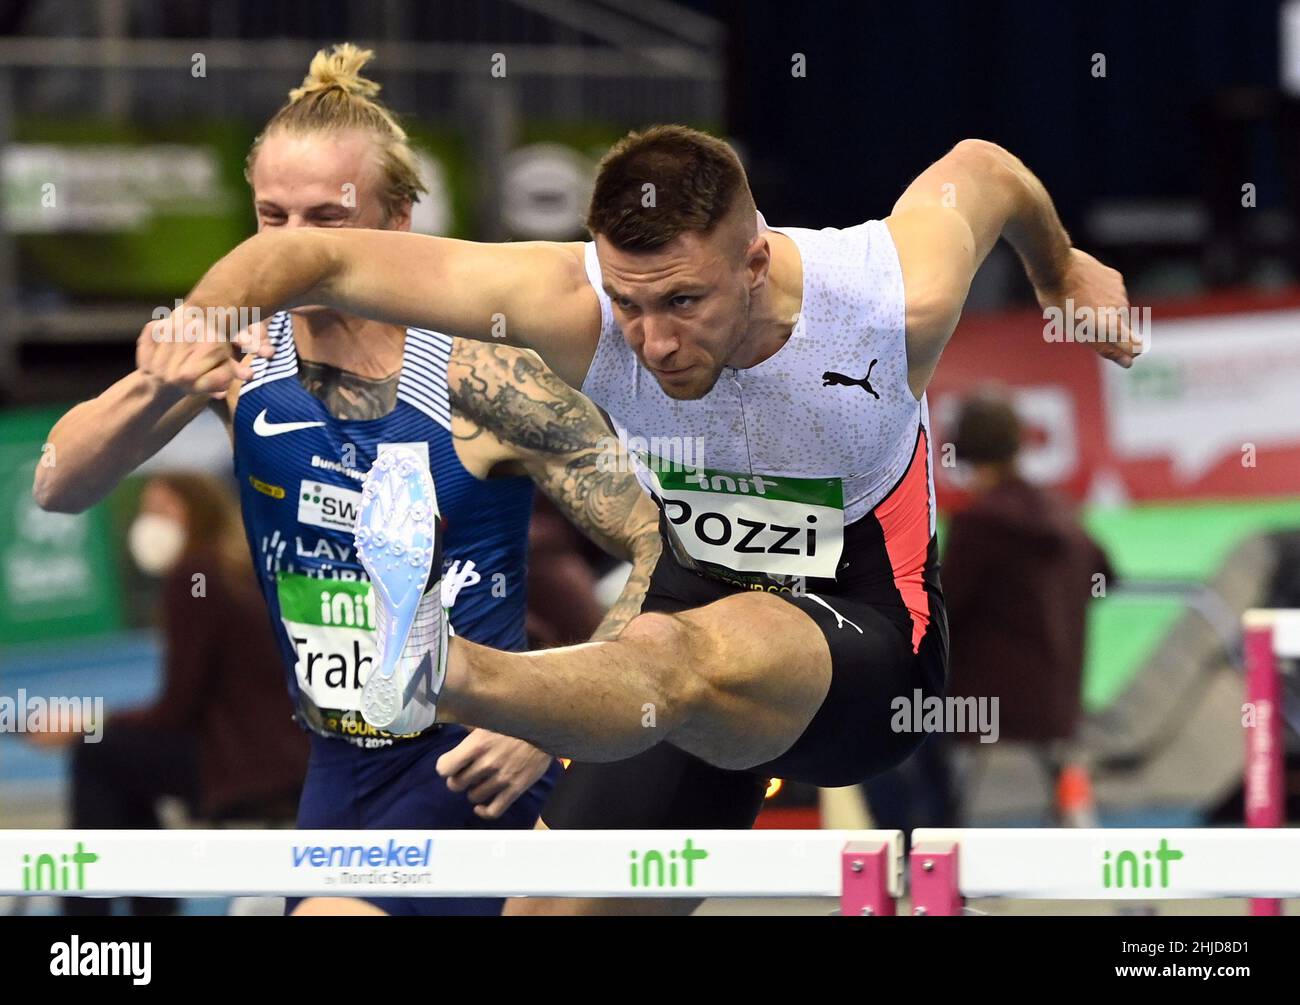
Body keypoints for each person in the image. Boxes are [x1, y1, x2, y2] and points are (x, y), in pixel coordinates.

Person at [136, 121, 1138, 915]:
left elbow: (983, 167)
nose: (654, 343)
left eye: (684, 302)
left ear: (755, 260)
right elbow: (316, 260)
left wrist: (1059, 274)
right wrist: (198, 322)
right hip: (692, 605)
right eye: (629, 302)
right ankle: (479, 675)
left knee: (675, 649)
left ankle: (446, 670)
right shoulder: (561, 300)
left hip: (867, 634)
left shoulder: (888, 297)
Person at [34, 44, 660, 917]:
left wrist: (555, 717)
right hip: (343, 783)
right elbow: (56, 484)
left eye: (326, 219)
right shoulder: (241, 370)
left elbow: (663, 545)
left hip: (490, 775)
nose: (293, 248)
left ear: (397, 219)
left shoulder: (481, 380)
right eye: (270, 218)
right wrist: (158, 382)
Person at [28, 473, 308, 916]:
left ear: (195, 513)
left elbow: (176, 709)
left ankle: (88, 912)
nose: (148, 522)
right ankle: (147, 904)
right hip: (285, 759)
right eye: (146, 511)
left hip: (249, 768)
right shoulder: (231, 568)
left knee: (100, 754)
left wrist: (84, 726)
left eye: (162, 511)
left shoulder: (194, 573)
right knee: (122, 761)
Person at [941, 392, 1114, 826]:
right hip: (1060, 703)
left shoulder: (978, 525)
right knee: (1072, 813)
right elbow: (1106, 576)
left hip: (984, 716)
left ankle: (913, 865)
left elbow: (941, 610)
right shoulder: (1061, 512)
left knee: (890, 736)